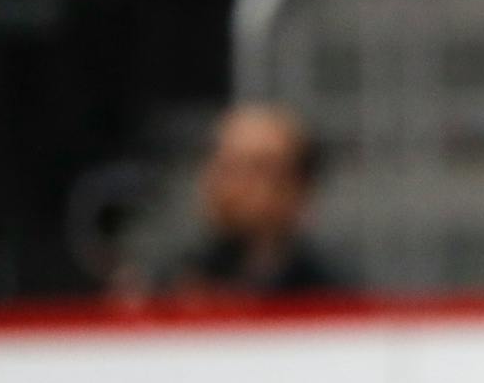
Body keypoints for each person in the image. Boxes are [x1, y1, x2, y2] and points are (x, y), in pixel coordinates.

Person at [146, 103, 344, 298]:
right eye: (224, 165)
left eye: (257, 168)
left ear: (300, 188)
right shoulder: (171, 286)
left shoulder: (333, 298)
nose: (232, 185)